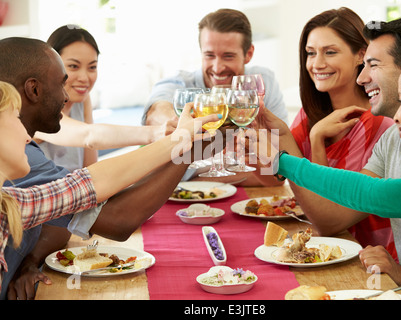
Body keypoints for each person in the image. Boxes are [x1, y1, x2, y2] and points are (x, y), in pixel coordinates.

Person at [0, 37, 212, 300]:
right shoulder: (21, 184)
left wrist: (180, 144)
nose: (29, 138)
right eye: (13, 117)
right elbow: (102, 202)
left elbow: (83, 187)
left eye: (92, 67)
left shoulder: (16, 204)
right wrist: (178, 143)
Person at [258, 18, 401, 299]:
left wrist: (282, 160)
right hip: (396, 291)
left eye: (373, 64)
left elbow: (371, 196)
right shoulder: (393, 138)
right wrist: (283, 139)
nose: (361, 77)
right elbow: (360, 196)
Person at [289, 7, 396, 257]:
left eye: (330, 52)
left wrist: (317, 141)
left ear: (361, 54)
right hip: (331, 251)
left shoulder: (380, 123)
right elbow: (277, 172)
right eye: (310, 53)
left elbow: (329, 214)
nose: (317, 64)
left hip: (371, 259)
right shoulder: (308, 113)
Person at [141, 8, 288, 187]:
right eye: (209, 55)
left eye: (228, 56)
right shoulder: (182, 83)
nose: (217, 68)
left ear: (248, 54)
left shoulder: (260, 86)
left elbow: (276, 174)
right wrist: (176, 122)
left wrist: (194, 177)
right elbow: (156, 112)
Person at [34, 25, 175, 172]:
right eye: (73, 66)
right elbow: (89, 136)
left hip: (76, 191)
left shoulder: (82, 100)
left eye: (92, 67)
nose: (84, 78)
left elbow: (90, 169)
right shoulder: (37, 108)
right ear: (50, 66)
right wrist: (156, 132)